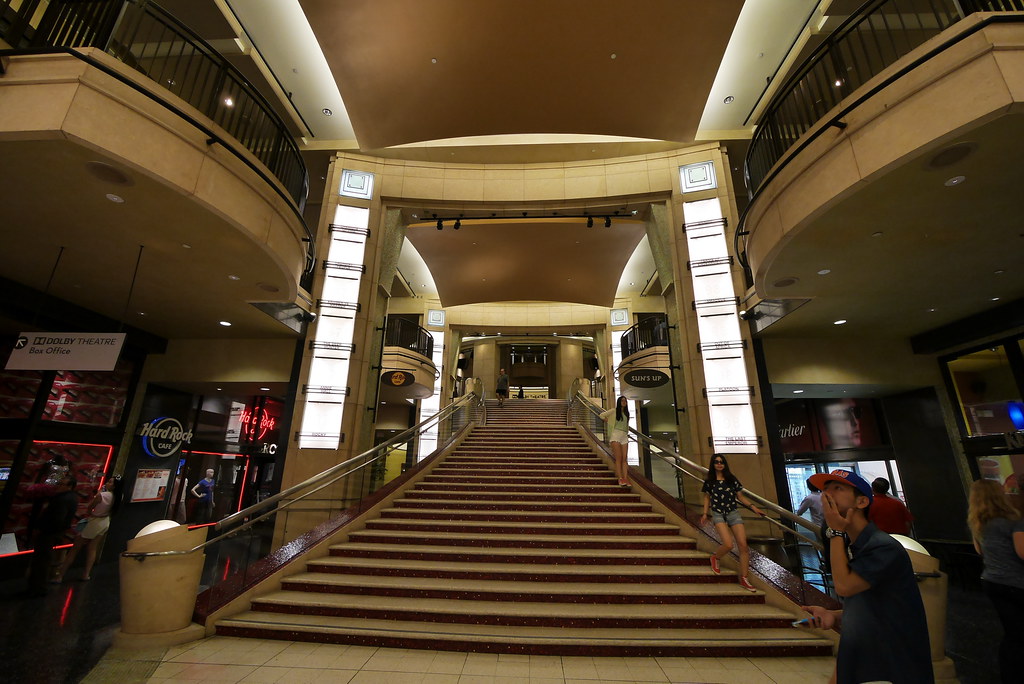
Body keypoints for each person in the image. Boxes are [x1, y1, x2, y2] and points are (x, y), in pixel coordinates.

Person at [798, 469, 932, 684]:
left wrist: (835, 531)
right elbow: (873, 604)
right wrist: (835, 616)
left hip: (888, 661)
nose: (827, 494)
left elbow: (844, 586)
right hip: (865, 652)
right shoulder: (854, 547)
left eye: (837, 488)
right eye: (825, 489)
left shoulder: (882, 547)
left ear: (861, 502)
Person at [967, 478, 1024, 684]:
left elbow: (980, 551)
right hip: (1017, 582)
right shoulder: (1014, 521)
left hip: (991, 581)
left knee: (1012, 633)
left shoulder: (978, 524)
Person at [699, 454, 764, 592]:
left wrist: (753, 507)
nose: (719, 464)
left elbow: (740, 497)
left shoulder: (731, 479)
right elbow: (707, 498)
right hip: (717, 513)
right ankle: (715, 557)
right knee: (728, 544)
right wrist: (705, 513)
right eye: (716, 462)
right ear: (713, 464)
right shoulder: (710, 481)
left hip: (733, 513)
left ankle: (744, 578)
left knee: (743, 546)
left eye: (722, 462)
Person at [55, 476, 118, 582]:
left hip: (94, 521)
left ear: (115, 486)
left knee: (75, 549)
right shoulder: (117, 497)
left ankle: (60, 576)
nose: (107, 483)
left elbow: (90, 508)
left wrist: (98, 495)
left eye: (110, 482)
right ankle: (86, 574)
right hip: (105, 522)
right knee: (93, 548)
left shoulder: (102, 495)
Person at [25, 475, 78, 596]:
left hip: (49, 533)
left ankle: (37, 588)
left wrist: (44, 528)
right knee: (43, 560)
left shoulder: (62, 499)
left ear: (69, 486)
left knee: (41, 561)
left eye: (61, 484)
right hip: (54, 533)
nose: (58, 486)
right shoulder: (70, 497)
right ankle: (38, 587)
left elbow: (57, 518)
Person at [599, 396, 630, 487]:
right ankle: (620, 478)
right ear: (619, 402)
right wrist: (607, 421)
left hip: (624, 436)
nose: (624, 402)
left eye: (625, 401)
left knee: (624, 458)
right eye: (622, 401)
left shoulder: (626, 413)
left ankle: (625, 478)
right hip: (615, 434)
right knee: (619, 458)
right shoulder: (614, 411)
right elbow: (601, 415)